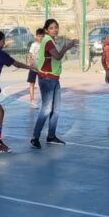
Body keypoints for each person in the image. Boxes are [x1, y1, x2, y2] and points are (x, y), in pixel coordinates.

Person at [30, 18, 78, 149]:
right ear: (46, 30)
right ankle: (35, 137)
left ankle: (51, 136)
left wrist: (63, 48)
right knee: (46, 108)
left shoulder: (50, 41)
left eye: (56, 27)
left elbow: (54, 58)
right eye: (51, 28)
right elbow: (57, 56)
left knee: (56, 109)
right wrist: (66, 48)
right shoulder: (48, 41)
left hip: (54, 78)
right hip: (47, 78)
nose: (55, 29)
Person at [26, 28, 44, 108]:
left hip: (42, 68)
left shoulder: (44, 44)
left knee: (43, 84)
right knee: (32, 84)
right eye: (38, 36)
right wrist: (31, 62)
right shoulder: (34, 45)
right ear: (36, 36)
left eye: (41, 36)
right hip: (33, 68)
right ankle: (32, 101)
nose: (40, 37)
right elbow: (30, 54)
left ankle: (45, 100)